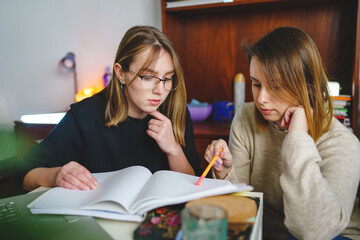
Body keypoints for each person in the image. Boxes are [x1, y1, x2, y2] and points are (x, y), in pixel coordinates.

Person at [205, 27, 360, 240]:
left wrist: (297, 137)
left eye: (276, 86)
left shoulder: (343, 143)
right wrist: (226, 171)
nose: (261, 99)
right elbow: (241, 203)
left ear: (306, 86)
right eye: (256, 84)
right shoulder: (246, 117)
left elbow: (313, 231)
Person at [20, 25, 202, 192]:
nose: (160, 91)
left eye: (168, 78)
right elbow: (23, 173)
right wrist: (56, 175)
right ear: (120, 73)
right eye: (148, 77)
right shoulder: (85, 116)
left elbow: (193, 185)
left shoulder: (174, 111)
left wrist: (173, 149)